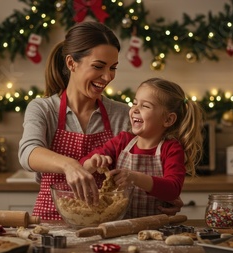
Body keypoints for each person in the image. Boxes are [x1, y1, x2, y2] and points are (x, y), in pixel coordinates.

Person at [18, 22, 184, 220]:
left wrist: (164, 197)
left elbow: (142, 166)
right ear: (71, 63)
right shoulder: (43, 108)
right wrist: (70, 165)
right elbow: (28, 152)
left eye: (113, 68)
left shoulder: (123, 114)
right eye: (98, 66)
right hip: (49, 221)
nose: (107, 76)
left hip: (104, 223)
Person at [80, 78, 205, 218]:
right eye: (134, 103)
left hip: (155, 227)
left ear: (168, 120)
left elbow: (173, 190)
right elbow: (82, 165)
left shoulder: (171, 149)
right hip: (119, 224)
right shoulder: (122, 142)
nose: (135, 109)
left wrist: (135, 178)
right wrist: (93, 162)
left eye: (145, 106)